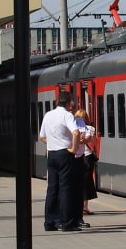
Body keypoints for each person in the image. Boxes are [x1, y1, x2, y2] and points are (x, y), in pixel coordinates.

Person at [39, 92, 82, 231]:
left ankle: (49, 222)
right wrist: (74, 149)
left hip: (51, 155)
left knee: (52, 189)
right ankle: (67, 223)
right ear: (69, 102)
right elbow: (76, 132)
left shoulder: (48, 115)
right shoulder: (67, 115)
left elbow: (42, 137)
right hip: (64, 154)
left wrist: (53, 142)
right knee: (65, 189)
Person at [73, 108, 97, 225]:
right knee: (86, 182)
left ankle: (79, 206)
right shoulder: (91, 129)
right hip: (87, 158)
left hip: (78, 157)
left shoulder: (74, 129)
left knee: (79, 182)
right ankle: (84, 206)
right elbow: (94, 142)